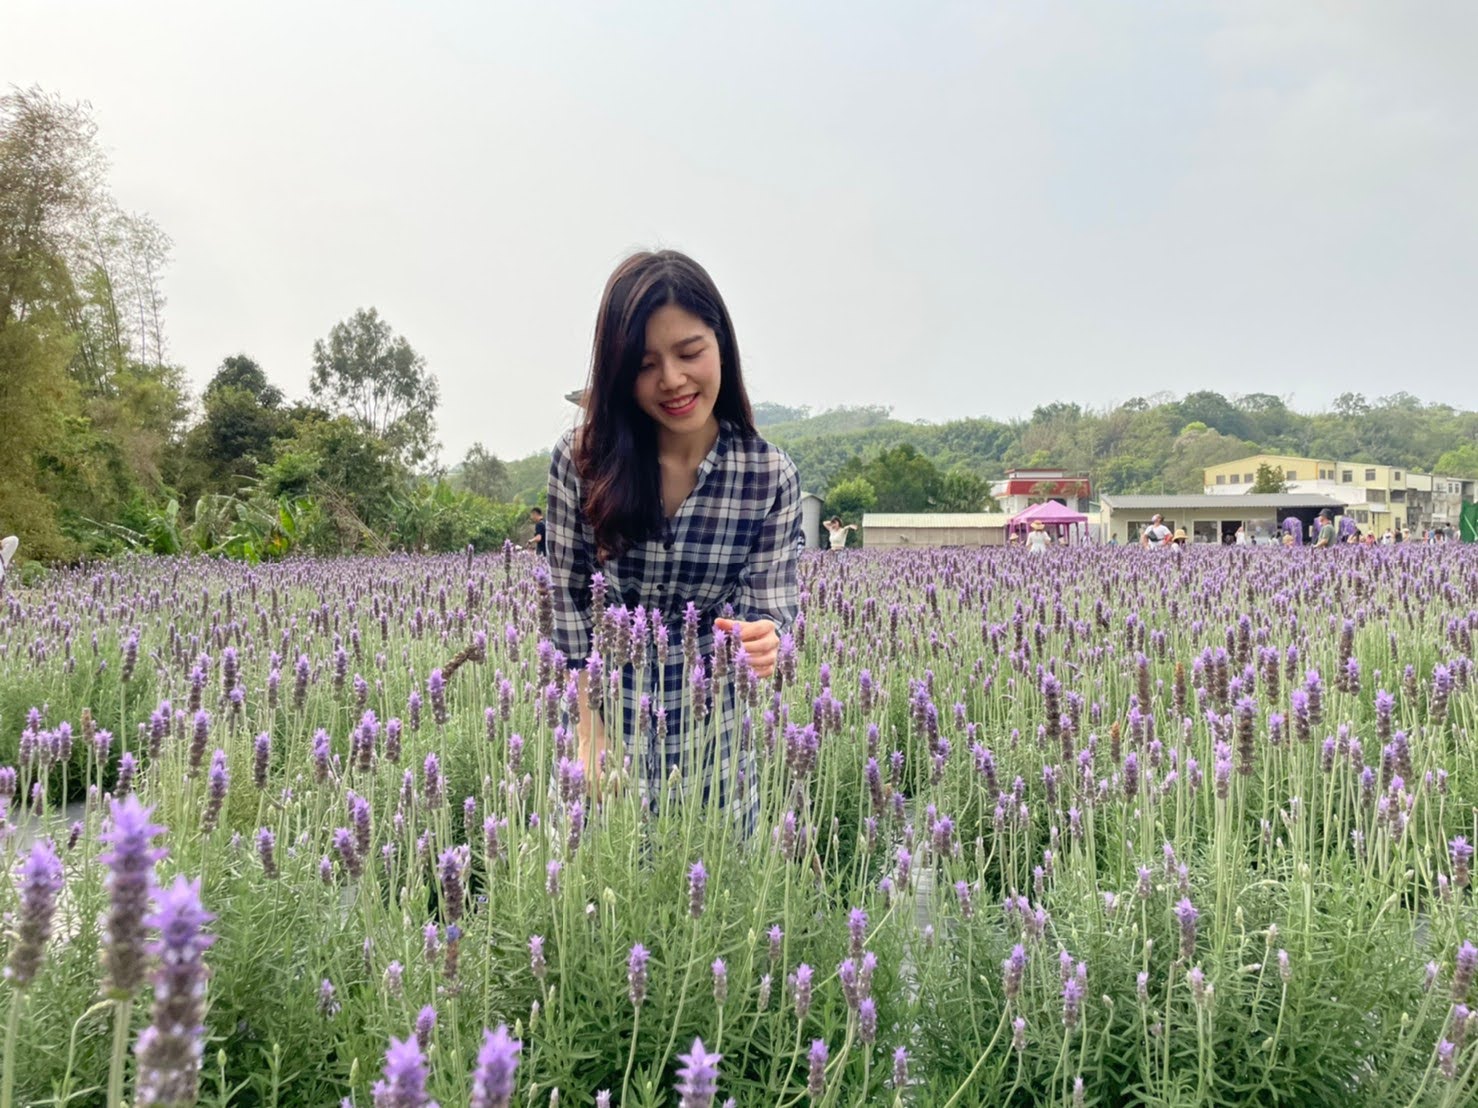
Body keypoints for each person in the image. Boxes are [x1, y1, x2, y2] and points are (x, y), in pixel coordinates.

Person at [545, 250, 799, 829]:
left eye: (689, 353)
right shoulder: (582, 462)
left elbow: (769, 611)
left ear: (722, 346)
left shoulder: (767, 476)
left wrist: (765, 640)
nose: (672, 380)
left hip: (714, 734)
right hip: (604, 718)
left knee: (714, 900)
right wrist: (589, 732)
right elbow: (567, 612)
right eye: (644, 364)